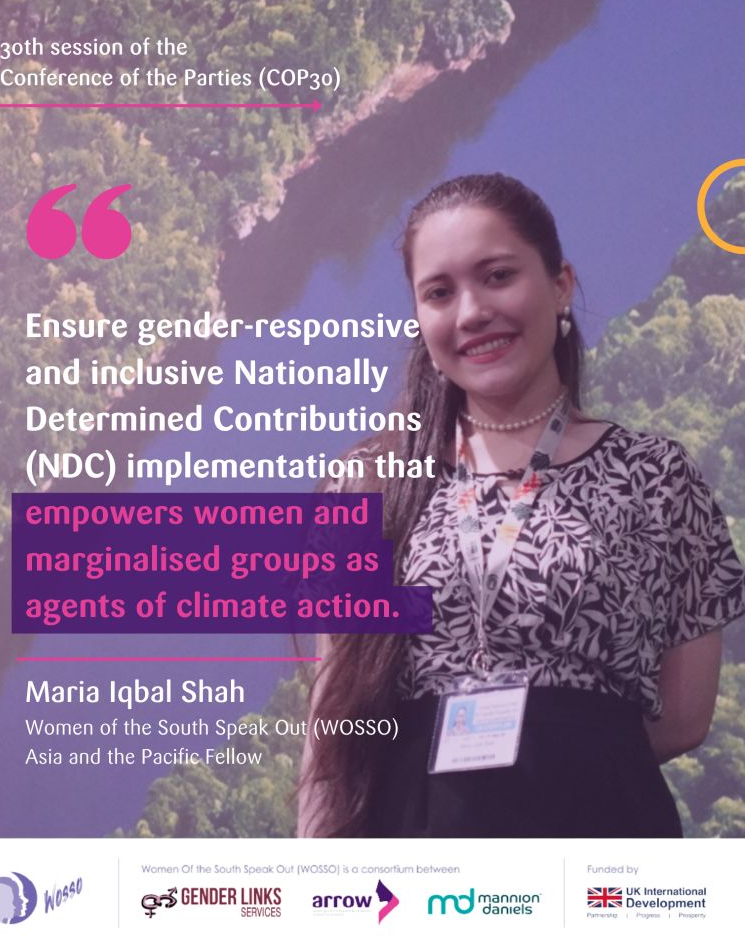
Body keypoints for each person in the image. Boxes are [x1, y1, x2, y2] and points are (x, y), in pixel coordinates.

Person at [298, 173, 745, 838]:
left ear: (560, 285)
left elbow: (684, 718)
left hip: (601, 842)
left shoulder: (657, 476)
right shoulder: (370, 482)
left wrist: (557, 750)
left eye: (498, 276)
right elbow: (333, 726)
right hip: (418, 854)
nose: (472, 311)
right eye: (439, 292)